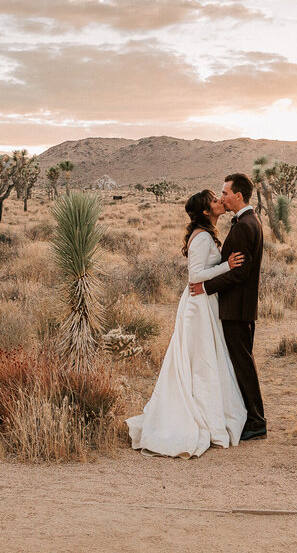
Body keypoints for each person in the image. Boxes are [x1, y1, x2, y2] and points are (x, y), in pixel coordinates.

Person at [126, 189, 247, 458]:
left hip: (204, 302)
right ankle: (199, 416)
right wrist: (227, 266)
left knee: (205, 358)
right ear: (206, 211)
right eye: (214, 201)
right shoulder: (202, 237)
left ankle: (207, 409)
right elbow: (195, 277)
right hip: (197, 304)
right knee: (201, 359)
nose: (219, 201)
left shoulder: (206, 233)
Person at [189, 172, 266, 440]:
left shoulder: (245, 225)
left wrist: (205, 288)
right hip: (237, 306)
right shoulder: (247, 221)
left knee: (243, 363)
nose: (222, 197)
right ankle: (250, 416)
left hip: (237, 307)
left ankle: (256, 421)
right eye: (220, 194)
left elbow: (240, 273)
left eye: (225, 193)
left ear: (238, 196)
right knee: (240, 362)